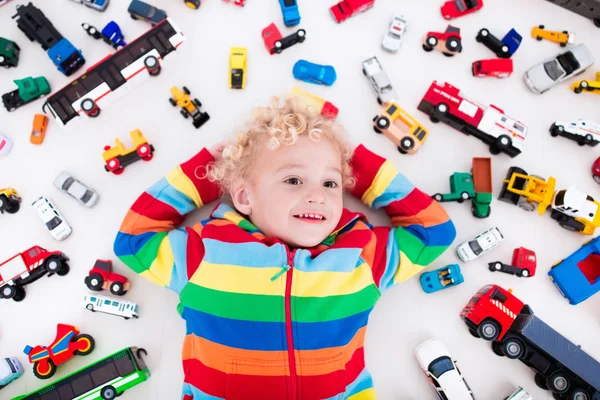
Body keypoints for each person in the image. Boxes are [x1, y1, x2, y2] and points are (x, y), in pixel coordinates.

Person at [113, 96, 456, 400]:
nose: (317, 195)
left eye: (331, 182)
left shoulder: (359, 257)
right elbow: (133, 240)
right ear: (245, 196)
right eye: (294, 180)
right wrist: (205, 174)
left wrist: (359, 168)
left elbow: (435, 231)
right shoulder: (205, 254)